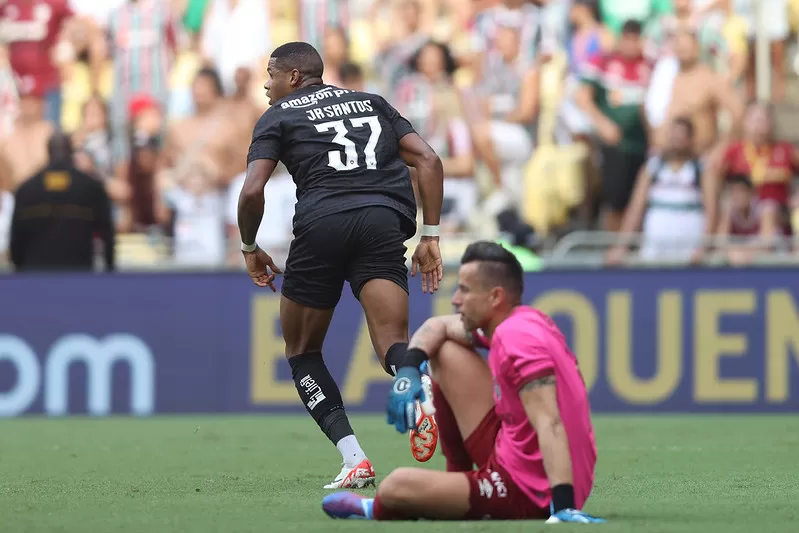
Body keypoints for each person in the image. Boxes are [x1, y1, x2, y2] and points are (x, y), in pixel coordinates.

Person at [238, 42, 445, 489]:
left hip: (324, 222)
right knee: (393, 344)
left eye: (270, 73)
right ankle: (417, 382)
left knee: (302, 351)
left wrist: (249, 245)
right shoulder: (372, 102)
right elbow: (428, 158)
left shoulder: (279, 115)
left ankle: (355, 459)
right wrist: (430, 236)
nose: (265, 83)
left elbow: (253, 191)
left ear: (293, 77)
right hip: (383, 220)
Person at [322, 241, 603, 523]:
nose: (456, 299)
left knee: (396, 486)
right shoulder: (520, 322)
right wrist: (407, 371)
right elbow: (438, 326)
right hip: (518, 448)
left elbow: (549, 421)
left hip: (532, 488)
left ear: (495, 297)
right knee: (444, 350)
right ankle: (459, 479)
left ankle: (377, 509)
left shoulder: (518, 340)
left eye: (465, 290)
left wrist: (564, 505)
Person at [606, 117, 717, 264]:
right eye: (674, 134)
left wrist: (703, 246)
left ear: (690, 138)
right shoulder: (653, 167)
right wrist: (622, 245)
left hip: (689, 247)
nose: (677, 139)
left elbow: (712, 210)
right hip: (655, 247)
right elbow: (636, 208)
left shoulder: (701, 169)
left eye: (681, 135)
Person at [9, 132, 114, 271]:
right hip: (79, 277)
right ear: (71, 152)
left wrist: (19, 272)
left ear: (48, 151)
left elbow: (16, 241)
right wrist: (110, 270)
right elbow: (107, 235)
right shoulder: (91, 188)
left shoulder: (26, 190)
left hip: (34, 279)